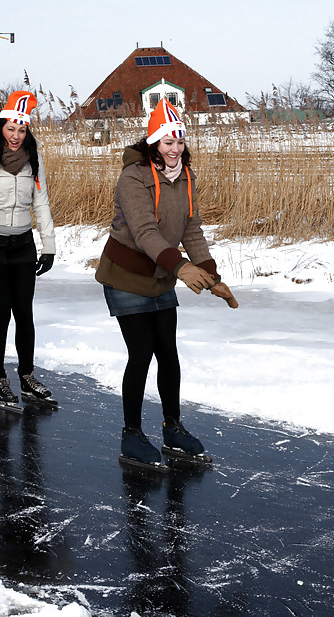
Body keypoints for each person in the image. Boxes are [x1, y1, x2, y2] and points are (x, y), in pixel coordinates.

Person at [95, 98, 238, 467]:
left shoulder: (186, 176)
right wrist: (181, 269)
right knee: (141, 353)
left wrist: (211, 276)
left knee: (169, 354)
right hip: (126, 275)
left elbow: (191, 229)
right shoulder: (133, 177)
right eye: (167, 142)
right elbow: (144, 232)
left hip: (160, 273)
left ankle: (172, 428)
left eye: (179, 141)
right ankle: (131, 435)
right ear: (153, 143)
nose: (175, 149)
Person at [0, 91, 56, 410]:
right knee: (2, 312)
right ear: (0, 126)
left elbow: (41, 204)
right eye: (10, 129)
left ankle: (27, 377)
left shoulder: (34, 159)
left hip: (22, 246)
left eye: (21, 130)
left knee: (25, 314)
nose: (15, 136)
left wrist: (49, 247)